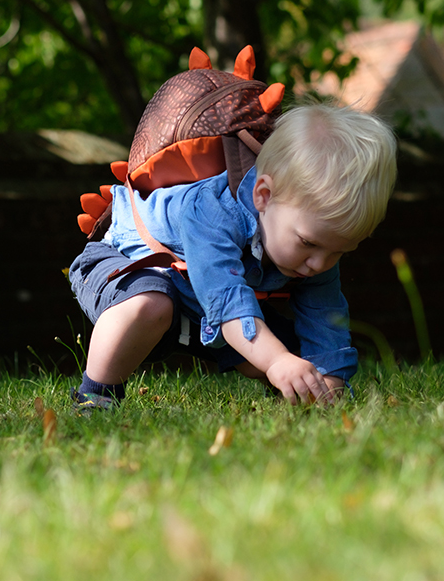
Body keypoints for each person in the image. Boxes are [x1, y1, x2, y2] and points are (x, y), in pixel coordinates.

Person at [67, 102, 397, 412]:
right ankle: (96, 396)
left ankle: (294, 394)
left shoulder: (311, 241)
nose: (321, 263)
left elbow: (325, 315)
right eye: (309, 244)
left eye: (340, 251)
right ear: (264, 196)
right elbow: (226, 300)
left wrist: (330, 382)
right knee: (150, 303)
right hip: (128, 267)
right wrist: (276, 360)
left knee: (299, 357)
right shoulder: (211, 211)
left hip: (200, 303)